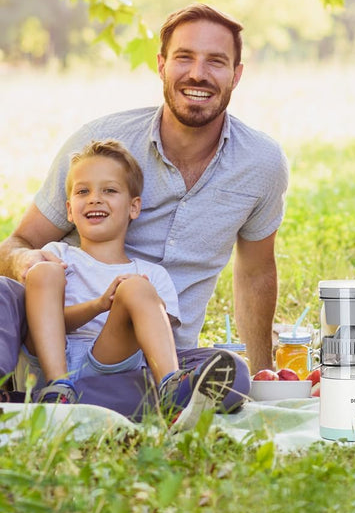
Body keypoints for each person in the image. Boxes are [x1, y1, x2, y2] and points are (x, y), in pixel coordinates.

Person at [0, 3, 288, 417]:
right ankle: (60, 392)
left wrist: (264, 373)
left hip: (147, 361)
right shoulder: (100, 143)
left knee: (234, 379)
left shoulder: (261, 163)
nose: (198, 74)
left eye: (216, 61)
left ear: (237, 74)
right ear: (161, 65)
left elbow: (257, 272)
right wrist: (29, 262)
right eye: (184, 57)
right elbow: (18, 242)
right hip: (52, 341)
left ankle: (63, 403)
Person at [23, 140, 236, 430]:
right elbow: (41, 322)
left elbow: (152, 338)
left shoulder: (151, 274)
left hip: (110, 360)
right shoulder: (57, 256)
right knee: (43, 272)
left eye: (109, 190)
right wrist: (98, 305)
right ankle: (58, 389)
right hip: (52, 355)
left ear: (134, 207)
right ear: (70, 210)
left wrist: (123, 300)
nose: (95, 199)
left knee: (136, 287)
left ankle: (172, 390)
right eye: (83, 191)